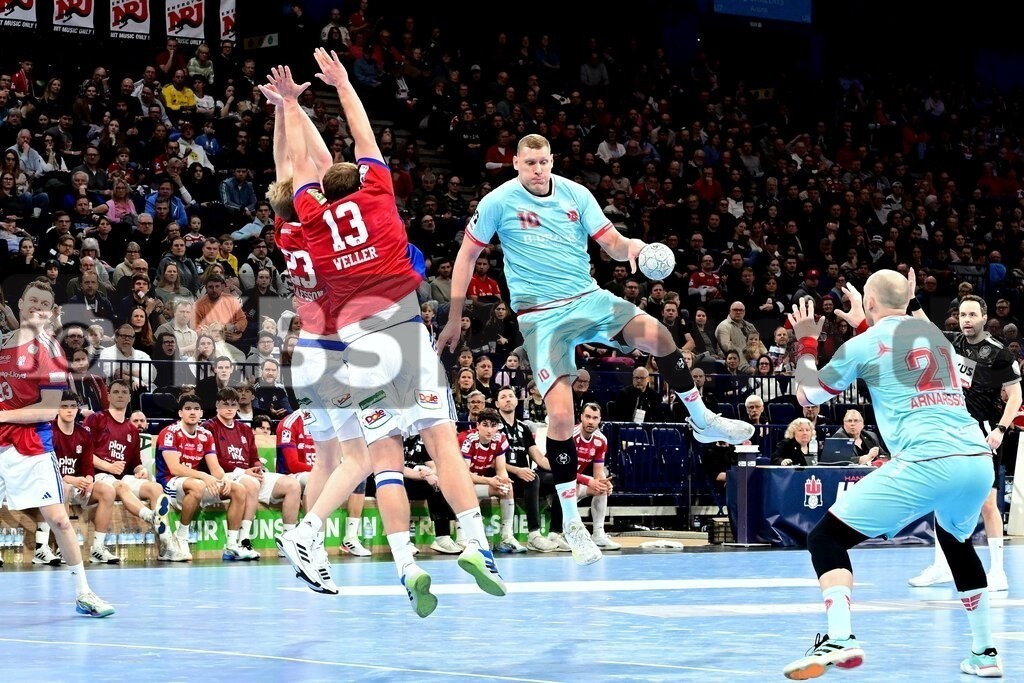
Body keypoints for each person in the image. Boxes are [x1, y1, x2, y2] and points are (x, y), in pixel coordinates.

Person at [439, 133, 753, 564]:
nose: (537, 170)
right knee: (561, 417)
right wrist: (454, 316)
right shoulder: (498, 201)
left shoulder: (576, 194)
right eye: (529, 163)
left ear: (552, 161)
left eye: (543, 162)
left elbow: (613, 244)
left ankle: (702, 420)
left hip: (588, 299)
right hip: (541, 316)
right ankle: (572, 523)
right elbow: (466, 257)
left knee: (659, 336)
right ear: (516, 163)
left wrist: (634, 248)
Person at [267, 53, 505, 611]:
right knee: (438, 439)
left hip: (344, 345)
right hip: (398, 331)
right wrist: (337, 87)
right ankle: (475, 542)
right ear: (360, 181)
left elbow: (295, 167)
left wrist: (288, 109)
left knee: (375, 457)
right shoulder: (377, 197)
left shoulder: (300, 228)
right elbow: (345, 146)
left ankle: (401, 563)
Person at [783, 272, 1001, 679]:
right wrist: (863, 324)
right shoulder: (936, 336)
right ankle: (985, 653)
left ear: (869, 302)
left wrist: (807, 340)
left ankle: (840, 638)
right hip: (975, 458)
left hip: (926, 460)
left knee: (826, 538)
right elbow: (897, 355)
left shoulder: (863, 345)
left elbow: (807, 393)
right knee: (955, 542)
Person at [0, 279, 114, 617]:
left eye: (44, 304)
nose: (37, 307)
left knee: (59, 520)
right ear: (20, 304)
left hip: (31, 445)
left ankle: (84, 593)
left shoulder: (50, 352)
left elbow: (49, 410)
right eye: (32, 300)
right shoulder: (3, 343)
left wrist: (1, 416)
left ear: (50, 313)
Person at [906, 292, 1021, 593]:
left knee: (987, 503)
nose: (966, 320)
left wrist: (1000, 429)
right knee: (941, 496)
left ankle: (998, 571)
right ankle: (941, 567)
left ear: (984, 318)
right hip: (950, 430)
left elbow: (1016, 397)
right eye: (962, 315)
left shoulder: (1000, 354)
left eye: (972, 315)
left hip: (983, 432)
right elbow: (926, 327)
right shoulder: (953, 343)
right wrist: (912, 300)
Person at [203, 387, 302, 559]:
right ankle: (243, 540)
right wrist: (244, 472)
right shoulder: (209, 427)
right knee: (251, 483)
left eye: (233, 404)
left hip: (247, 474)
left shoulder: (244, 429)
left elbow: (254, 457)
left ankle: (287, 542)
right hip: (224, 476)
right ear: (217, 405)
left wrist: (257, 468)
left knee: (292, 485)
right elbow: (213, 461)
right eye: (225, 404)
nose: (229, 408)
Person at [83, 378, 177, 561]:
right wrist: (108, 466)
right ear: (108, 396)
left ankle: (167, 546)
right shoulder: (96, 419)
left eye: (124, 392)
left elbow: (135, 462)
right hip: (98, 476)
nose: (120, 395)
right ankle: (150, 517)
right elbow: (84, 454)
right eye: (116, 392)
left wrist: (141, 470)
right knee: (120, 486)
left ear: (129, 397)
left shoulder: (131, 429)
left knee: (155, 488)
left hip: (121, 477)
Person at [494, 386, 559, 552]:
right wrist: (517, 470)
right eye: (503, 397)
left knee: (561, 480)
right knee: (533, 478)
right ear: (497, 403)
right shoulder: (493, 427)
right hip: (503, 476)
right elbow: (491, 461)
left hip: (525, 476)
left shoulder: (524, 428)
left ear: (517, 401)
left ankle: (556, 533)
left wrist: (562, 469)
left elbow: (539, 458)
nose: (508, 399)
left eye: (511, 396)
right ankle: (534, 535)